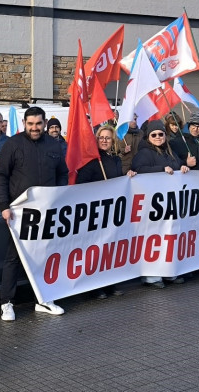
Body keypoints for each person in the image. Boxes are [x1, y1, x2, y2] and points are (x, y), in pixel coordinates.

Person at [0, 107, 68, 321]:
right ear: (24, 123)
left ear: (45, 123)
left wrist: (59, 195)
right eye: (30, 124)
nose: (34, 128)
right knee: (14, 258)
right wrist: (4, 206)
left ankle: (44, 300)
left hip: (47, 212)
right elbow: (0, 176)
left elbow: (63, 173)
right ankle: (6, 303)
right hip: (19, 212)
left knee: (45, 256)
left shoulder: (54, 144)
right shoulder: (12, 145)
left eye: (38, 124)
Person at [75, 125, 132, 298]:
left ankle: (110, 283)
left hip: (111, 211)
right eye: (101, 138)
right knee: (96, 249)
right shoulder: (92, 162)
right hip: (95, 211)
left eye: (108, 138)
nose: (105, 141)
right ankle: (95, 286)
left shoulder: (115, 159)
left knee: (110, 249)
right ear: (96, 140)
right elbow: (80, 185)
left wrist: (127, 176)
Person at [131, 120, 189, 287]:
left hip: (169, 203)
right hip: (152, 203)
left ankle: (168, 271)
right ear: (149, 137)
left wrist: (183, 169)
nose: (158, 137)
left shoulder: (170, 152)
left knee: (169, 237)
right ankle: (151, 275)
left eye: (160, 134)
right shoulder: (144, 152)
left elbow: (176, 167)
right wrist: (160, 171)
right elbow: (139, 170)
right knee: (152, 238)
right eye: (154, 135)